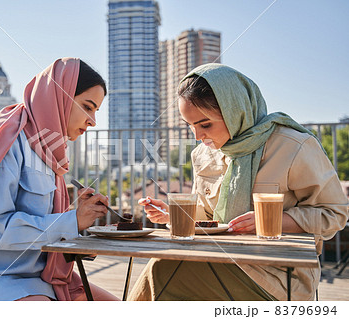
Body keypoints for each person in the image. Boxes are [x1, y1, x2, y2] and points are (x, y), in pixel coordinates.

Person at [129, 63, 348, 301]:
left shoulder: (293, 146)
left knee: (164, 271)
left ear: (236, 111)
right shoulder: (203, 155)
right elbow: (210, 220)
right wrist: (175, 214)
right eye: (190, 125)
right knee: (164, 266)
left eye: (205, 124)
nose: (197, 136)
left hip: (276, 276)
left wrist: (271, 221)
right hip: (216, 258)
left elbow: (334, 214)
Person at [0, 57, 119, 301]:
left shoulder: (47, 149)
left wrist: (79, 218)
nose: (93, 121)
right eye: (87, 107)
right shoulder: (2, 139)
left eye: (96, 111)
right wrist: (70, 221)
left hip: (35, 278)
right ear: (60, 96)